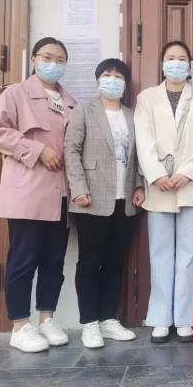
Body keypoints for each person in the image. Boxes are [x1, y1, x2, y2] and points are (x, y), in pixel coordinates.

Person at [0, 37, 76, 353]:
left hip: (60, 194)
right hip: (27, 193)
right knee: (23, 260)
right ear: (35, 59)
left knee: (53, 260)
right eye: (47, 57)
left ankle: (47, 318)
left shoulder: (70, 102)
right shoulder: (15, 94)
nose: (54, 64)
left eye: (60, 60)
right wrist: (37, 150)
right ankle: (20, 325)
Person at [134, 40, 193, 343]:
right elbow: (143, 139)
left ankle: (183, 318)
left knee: (188, 253)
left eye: (182, 59)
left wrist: (186, 172)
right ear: (162, 63)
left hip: (190, 184)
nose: (176, 63)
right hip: (158, 185)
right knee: (159, 253)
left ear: (189, 66)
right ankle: (160, 318)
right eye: (171, 58)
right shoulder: (147, 98)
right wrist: (156, 174)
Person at [64, 58, 145, 349]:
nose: (113, 80)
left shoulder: (132, 115)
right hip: (91, 199)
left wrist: (139, 185)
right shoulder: (84, 110)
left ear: (125, 83)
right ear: (98, 80)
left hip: (125, 201)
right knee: (90, 262)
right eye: (107, 75)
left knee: (115, 261)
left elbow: (139, 155)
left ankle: (109, 318)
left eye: (118, 76)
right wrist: (78, 188)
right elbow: (71, 149)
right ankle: (89, 322)